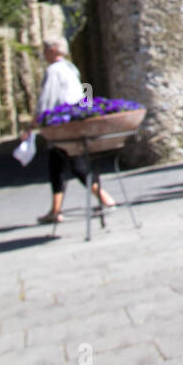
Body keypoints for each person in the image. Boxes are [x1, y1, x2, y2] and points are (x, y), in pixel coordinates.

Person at [34, 37, 116, 225]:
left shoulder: (53, 71)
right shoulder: (71, 68)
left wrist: (38, 122)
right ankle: (55, 210)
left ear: (53, 50)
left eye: (46, 50)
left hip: (62, 124)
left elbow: (47, 99)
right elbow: (82, 93)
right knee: (58, 165)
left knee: (75, 163)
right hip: (75, 120)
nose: (45, 54)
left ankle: (105, 198)